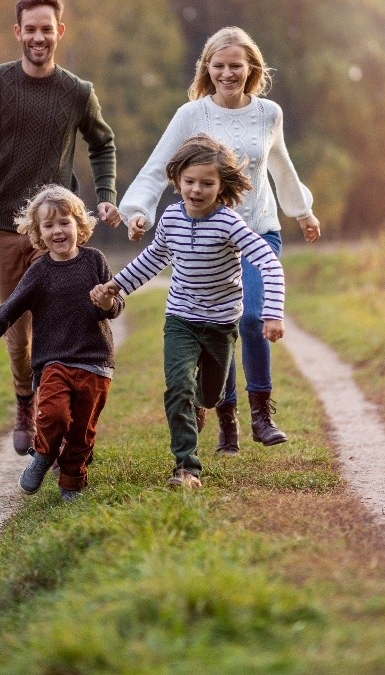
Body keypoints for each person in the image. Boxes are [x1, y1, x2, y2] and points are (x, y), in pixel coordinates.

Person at [118, 26, 319, 454]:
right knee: (218, 323)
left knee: (252, 317)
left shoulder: (269, 113)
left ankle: (262, 413)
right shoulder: (192, 114)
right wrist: (138, 212)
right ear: (207, 68)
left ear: (251, 68)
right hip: (211, 235)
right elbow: (159, 165)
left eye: (236, 66)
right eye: (219, 66)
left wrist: (302, 212)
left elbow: (281, 166)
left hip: (258, 228)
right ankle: (227, 420)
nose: (228, 74)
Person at [0, 0, 123, 454]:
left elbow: (102, 144)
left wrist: (105, 196)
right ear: (17, 32)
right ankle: (26, 401)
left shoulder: (77, 92)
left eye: (47, 29)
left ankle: (55, 410)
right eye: (30, 29)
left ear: (59, 31)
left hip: (54, 231)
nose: (38, 37)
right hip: (3, 228)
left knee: (64, 322)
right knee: (19, 329)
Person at [93, 134, 284, 490]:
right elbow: (154, 258)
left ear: (222, 185)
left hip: (221, 323)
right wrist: (116, 285)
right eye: (190, 181)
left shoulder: (229, 223)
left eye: (207, 183)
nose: (197, 190)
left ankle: (203, 407)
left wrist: (272, 313)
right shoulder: (171, 217)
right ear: (177, 179)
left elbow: (268, 263)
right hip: (180, 318)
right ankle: (186, 468)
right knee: (178, 386)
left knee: (209, 395)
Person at [0, 186, 123, 502]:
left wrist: (106, 303)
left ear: (79, 225)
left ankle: (71, 484)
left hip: (96, 363)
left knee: (82, 432)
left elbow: (116, 307)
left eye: (64, 222)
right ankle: (44, 455)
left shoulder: (95, 261)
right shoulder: (40, 272)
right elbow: (9, 309)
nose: (57, 231)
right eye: (48, 225)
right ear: (38, 233)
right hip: (54, 362)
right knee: (54, 416)